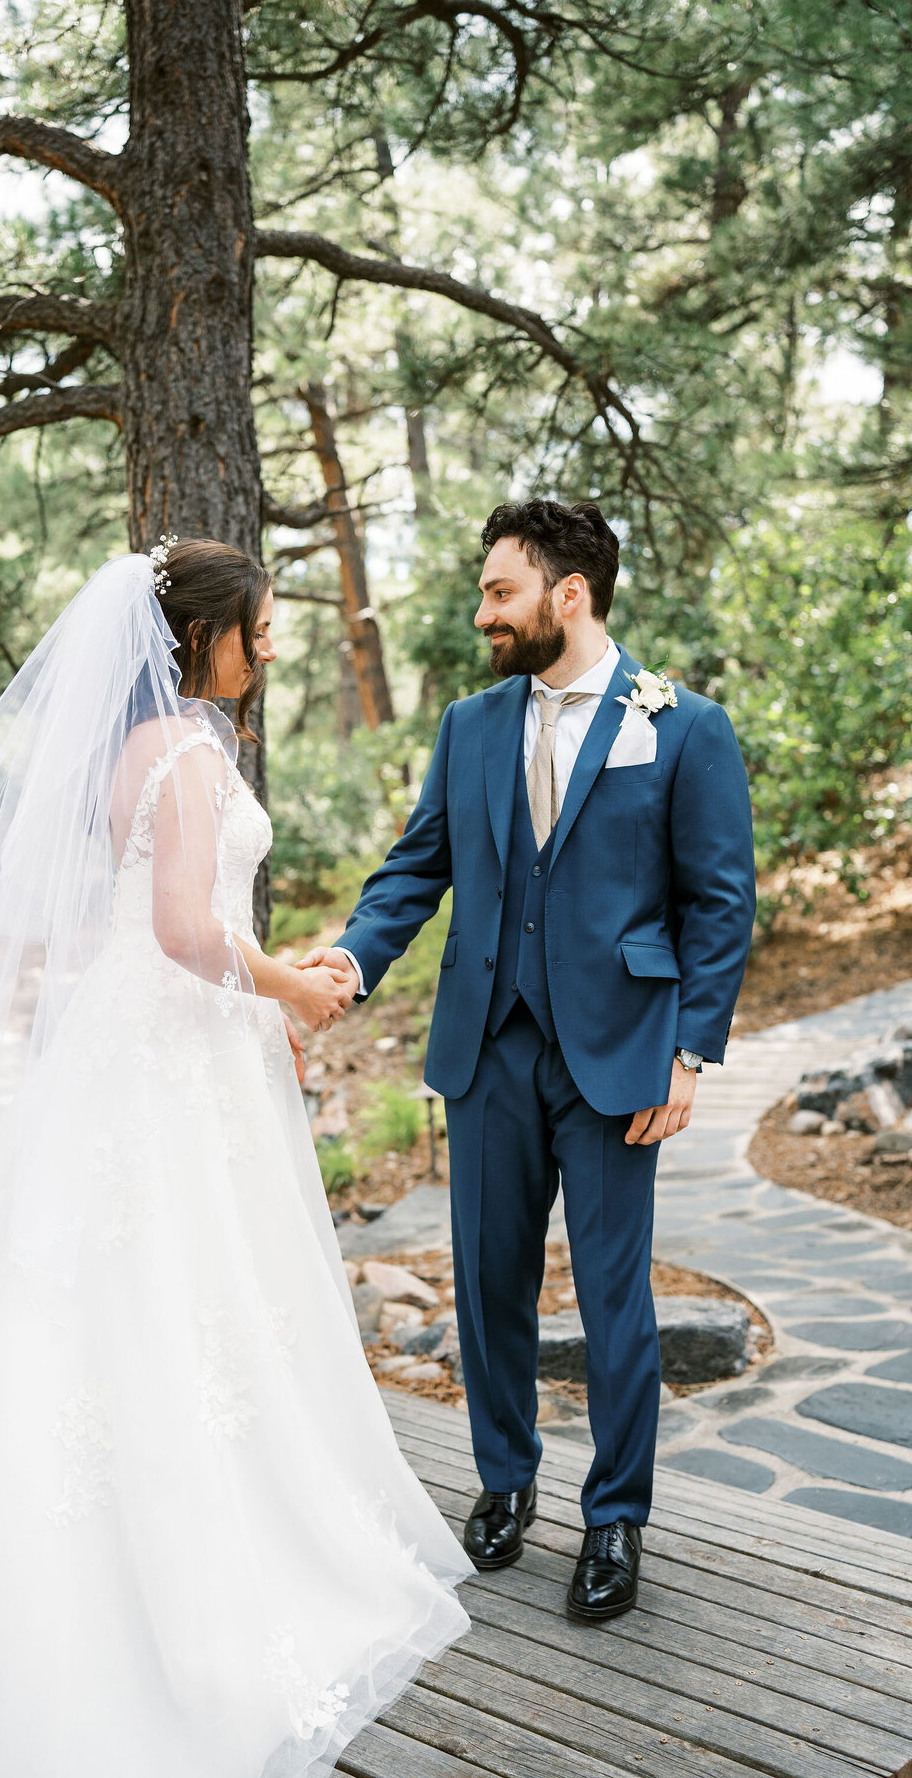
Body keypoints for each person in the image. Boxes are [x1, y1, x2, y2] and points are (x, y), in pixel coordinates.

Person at [0, 540, 473, 1776]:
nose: (271, 646)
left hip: (154, 1037)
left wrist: (273, 982)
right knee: (169, 1287)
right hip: (170, 1042)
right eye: (256, 628)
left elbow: (176, 919)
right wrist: (292, 987)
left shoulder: (141, 746)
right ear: (200, 636)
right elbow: (185, 930)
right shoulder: (184, 754)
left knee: (135, 1285)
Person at [299, 499, 756, 1622]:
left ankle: (616, 1517)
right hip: (489, 1046)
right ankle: (505, 1481)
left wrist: (689, 1053)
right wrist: (351, 962)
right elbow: (416, 868)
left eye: (501, 592)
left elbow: (719, 903)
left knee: (614, 1298)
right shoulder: (470, 725)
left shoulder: (684, 726)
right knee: (489, 1281)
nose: (482, 613)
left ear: (570, 594)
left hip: (619, 1054)